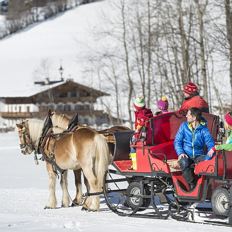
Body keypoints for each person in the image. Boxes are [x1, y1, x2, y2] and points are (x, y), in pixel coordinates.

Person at [174, 107, 215, 190]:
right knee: (184, 163)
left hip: (199, 155)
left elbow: (210, 142)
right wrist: (181, 152)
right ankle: (192, 184)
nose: (186, 116)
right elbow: (177, 141)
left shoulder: (203, 129)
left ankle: (206, 185)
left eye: (188, 115)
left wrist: (211, 150)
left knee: (209, 161)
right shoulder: (184, 126)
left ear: (194, 117)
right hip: (186, 154)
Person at [129, 96, 153, 169]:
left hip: (143, 136)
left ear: (136, 106)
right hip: (150, 134)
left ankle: (135, 163)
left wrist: (136, 132)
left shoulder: (141, 114)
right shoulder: (148, 112)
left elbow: (141, 126)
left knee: (132, 143)